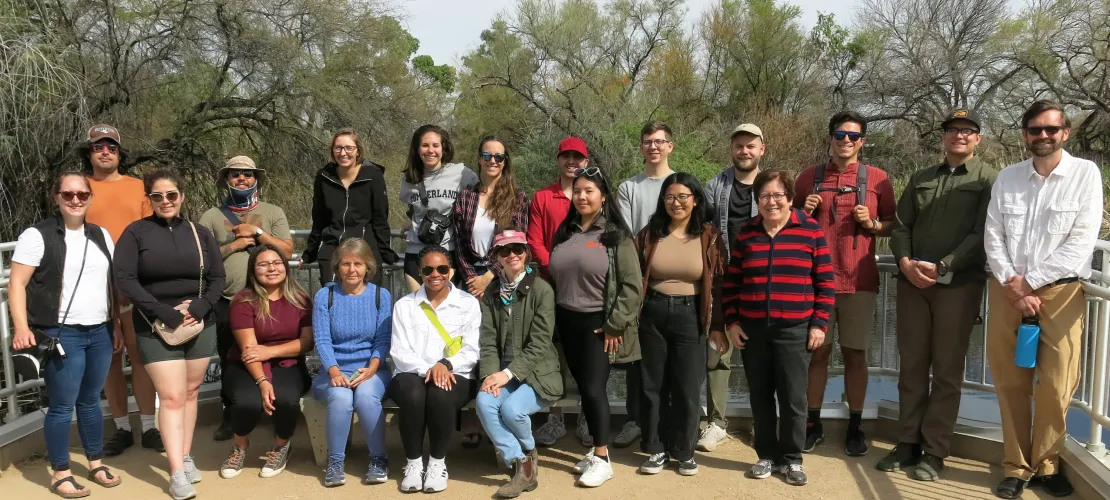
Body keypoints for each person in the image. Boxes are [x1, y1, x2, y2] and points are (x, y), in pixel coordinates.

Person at [984, 101, 1103, 499]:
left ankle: (1048, 464)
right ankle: (1016, 467)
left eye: (1051, 129)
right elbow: (993, 236)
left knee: (1056, 384)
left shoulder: (1085, 174)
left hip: (1062, 292)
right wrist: (1014, 286)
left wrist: (1030, 283)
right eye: (1035, 130)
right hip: (1007, 292)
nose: (1043, 136)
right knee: (1010, 381)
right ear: (1025, 134)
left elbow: (1081, 242)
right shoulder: (1008, 177)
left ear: (1065, 132)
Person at [879, 110, 998, 481]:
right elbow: (901, 227)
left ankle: (934, 451)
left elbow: (983, 233)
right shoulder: (922, 177)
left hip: (957, 286)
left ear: (978, 139)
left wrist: (945, 265)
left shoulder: (990, 179)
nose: (959, 136)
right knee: (912, 366)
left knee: (947, 371)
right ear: (943, 136)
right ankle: (907, 443)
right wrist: (905, 261)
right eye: (952, 130)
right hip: (913, 283)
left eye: (967, 131)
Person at [9, 172, 124, 498]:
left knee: (90, 401)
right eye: (68, 194)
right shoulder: (37, 235)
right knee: (62, 406)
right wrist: (21, 327)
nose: (75, 200)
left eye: (82, 194)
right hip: (61, 334)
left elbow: (111, 284)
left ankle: (95, 462)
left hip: (99, 331)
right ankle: (60, 473)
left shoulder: (101, 235)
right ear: (56, 197)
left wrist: (115, 322)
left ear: (90, 197)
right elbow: (17, 284)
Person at [114, 170, 226, 500]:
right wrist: (163, 311)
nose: (166, 201)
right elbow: (125, 279)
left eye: (172, 195)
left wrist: (204, 305)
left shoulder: (199, 232)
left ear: (182, 196)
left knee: (190, 392)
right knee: (173, 397)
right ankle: (176, 471)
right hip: (154, 325)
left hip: (199, 323)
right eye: (158, 196)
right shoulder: (136, 233)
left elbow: (218, 277)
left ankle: (185, 455)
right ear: (148, 199)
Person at [794, 111, 896, 456]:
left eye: (853, 136)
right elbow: (785, 224)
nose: (846, 141)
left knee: (855, 355)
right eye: (840, 134)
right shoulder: (808, 178)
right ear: (830, 138)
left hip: (859, 281)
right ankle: (812, 423)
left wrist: (874, 224)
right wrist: (802, 214)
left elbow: (894, 224)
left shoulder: (878, 179)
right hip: (814, 282)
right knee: (816, 354)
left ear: (862, 141)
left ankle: (856, 425)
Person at [725, 170, 835, 486]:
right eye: (764, 196)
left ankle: (792, 459)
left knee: (792, 398)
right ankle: (766, 456)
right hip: (753, 329)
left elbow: (826, 283)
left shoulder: (810, 231)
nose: (771, 202)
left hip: (795, 328)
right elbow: (732, 283)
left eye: (777, 195)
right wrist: (732, 321)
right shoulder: (747, 233)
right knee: (760, 396)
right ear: (756, 200)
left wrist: (819, 324)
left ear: (789, 198)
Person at [548, 167, 642, 487]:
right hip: (566, 322)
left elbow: (632, 287)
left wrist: (615, 325)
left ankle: (602, 458)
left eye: (589, 190)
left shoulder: (616, 236)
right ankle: (594, 450)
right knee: (583, 390)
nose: (582, 196)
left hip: (597, 326)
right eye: (577, 191)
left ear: (603, 196)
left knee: (593, 389)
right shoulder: (566, 232)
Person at [633, 173, 727, 476]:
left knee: (687, 385)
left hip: (691, 315)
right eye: (670, 197)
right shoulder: (650, 234)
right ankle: (656, 447)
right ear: (663, 201)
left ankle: (684, 450)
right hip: (653, 312)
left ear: (695, 199)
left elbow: (720, 284)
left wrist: (718, 325)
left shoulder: (709, 236)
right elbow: (633, 274)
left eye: (683, 196)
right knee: (653, 385)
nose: (676, 203)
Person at [79, 124, 162, 457]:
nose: (105, 152)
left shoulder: (138, 187)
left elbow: (151, 234)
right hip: (94, 287)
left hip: (134, 285)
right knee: (108, 359)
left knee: (141, 355)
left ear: (119, 152)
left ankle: (149, 424)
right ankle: (122, 428)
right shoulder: (78, 189)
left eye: (111, 147)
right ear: (90, 152)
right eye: (98, 146)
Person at [199, 156, 294, 442]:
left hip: (270, 298)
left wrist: (258, 233)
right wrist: (236, 245)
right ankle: (232, 414)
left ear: (256, 179)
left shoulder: (272, 211)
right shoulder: (211, 216)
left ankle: (275, 408)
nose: (242, 179)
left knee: (275, 354)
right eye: (236, 174)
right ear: (227, 179)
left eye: (248, 174)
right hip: (229, 298)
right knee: (231, 358)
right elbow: (203, 256)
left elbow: (287, 252)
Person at [475, 229, 563, 498]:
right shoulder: (491, 293)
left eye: (518, 249)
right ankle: (523, 462)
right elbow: (488, 340)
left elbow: (539, 343)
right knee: (484, 402)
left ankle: (528, 449)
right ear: (497, 257)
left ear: (526, 253)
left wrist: (507, 374)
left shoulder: (542, 290)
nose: (512, 255)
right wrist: (491, 375)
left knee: (513, 410)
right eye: (505, 250)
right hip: (503, 372)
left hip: (538, 374)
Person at [389, 245, 481, 493]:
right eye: (428, 269)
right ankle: (414, 463)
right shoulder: (405, 305)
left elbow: (472, 349)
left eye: (441, 268)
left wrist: (446, 365)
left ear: (450, 270)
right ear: (420, 272)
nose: (435, 274)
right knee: (413, 394)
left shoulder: (468, 303)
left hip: (457, 372)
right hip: (412, 372)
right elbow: (399, 351)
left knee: (440, 394)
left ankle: (437, 463)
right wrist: (430, 369)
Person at [218, 245, 312, 480]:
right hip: (244, 365)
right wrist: (262, 381)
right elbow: (249, 350)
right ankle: (239, 445)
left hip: (288, 363)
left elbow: (307, 342)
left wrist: (269, 352)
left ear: (285, 267)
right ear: (253, 270)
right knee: (247, 403)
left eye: (277, 263)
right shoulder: (243, 301)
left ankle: (281, 445)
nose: (272, 268)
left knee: (287, 400)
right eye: (263, 264)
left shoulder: (300, 298)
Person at [610, 120, 676, 448]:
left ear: (670, 147)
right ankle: (635, 419)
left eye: (659, 141)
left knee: (672, 357)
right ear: (641, 147)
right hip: (638, 281)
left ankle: (670, 421)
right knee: (637, 357)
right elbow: (625, 233)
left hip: (677, 284)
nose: (653, 146)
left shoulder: (680, 185)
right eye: (648, 141)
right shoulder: (629, 188)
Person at [700, 123, 765, 451]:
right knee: (718, 353)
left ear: (761, 150)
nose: (744, 151)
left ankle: (761, 423)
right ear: (732, 149)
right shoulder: (716, 185)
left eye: (750, 146)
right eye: (739, 145)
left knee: (759, 358)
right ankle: (717, 423)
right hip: (724, 281)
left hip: (759, 283)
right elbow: (706, 231)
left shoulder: (771, 187)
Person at [311, 238, 393, 487]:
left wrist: (372, 367)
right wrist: (334, 370)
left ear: (368, 266)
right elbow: (322, 340)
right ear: (337, 266)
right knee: (341, 397)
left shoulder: (381, 295)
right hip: (333, 369)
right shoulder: (325, 296)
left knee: (367, 397)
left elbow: (383, 339)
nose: (352, 270)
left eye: (358, 263)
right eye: (346, 263)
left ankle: (378, 458)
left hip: (372, 368)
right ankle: (336, 462)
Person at [527, 136, 587, 447]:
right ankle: (555, 418)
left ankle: (588, 417)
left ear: (586, 162)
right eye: (566, 156)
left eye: (577, 157)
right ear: (558, 160)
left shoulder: (591, 195)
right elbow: (534, 240)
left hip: (588, 288)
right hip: (550, 283)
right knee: (551, 351)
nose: (571, 162)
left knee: (586, 350)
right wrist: (557, 266)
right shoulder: (542, 197)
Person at [302, 128, 398, 287]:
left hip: (365, 245)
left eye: (349, 148)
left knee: (367, 299)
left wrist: (386, 252)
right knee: (332, 297)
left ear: (358, 151)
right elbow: (318, 219)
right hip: (333, 246)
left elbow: (380, 218)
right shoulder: (324, 177)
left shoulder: (373, 175)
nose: (343, 153)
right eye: (338, 148)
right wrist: (309, 253)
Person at [399, 125, 479, 292]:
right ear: (417, 149)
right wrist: (410, 221)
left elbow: (480, 201)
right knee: (418, 309)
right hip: (416, 253)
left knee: (445, 310)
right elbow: (413, 208)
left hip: (447, 252)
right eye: (425, 145)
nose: (430, 150)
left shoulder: (461, 173)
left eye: (435, 145)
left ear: (444, 148)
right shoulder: (409, 178)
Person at [453, 136, 528, 299]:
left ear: (505, 161)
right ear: (480, 159)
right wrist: (472, 281)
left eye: (498, 157)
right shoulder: (465, 197)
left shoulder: (517, 198)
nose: (492, 160)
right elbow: (460, 245)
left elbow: (517, 243)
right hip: (471, 282)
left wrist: (487, 278)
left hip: (505, 276)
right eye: (487, 156)